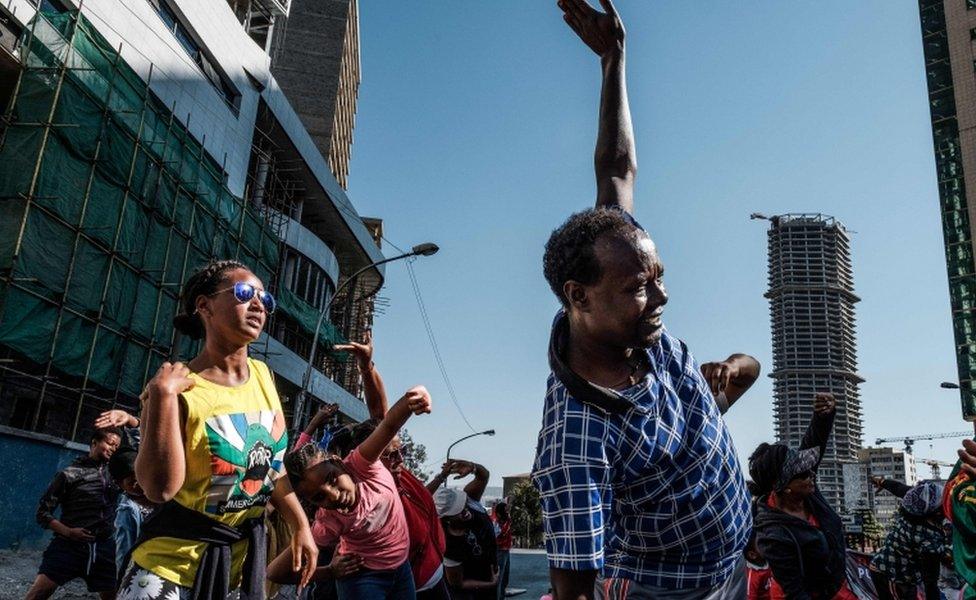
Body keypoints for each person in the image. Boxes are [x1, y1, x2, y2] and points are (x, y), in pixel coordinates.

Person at [533, 3, 761, 598]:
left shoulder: (625, 290)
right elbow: (574, 591)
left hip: (731, 567)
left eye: (657, 275)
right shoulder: (575, 438)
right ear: (577, 296)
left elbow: (616, 167)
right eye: (639, 287)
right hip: (671, 589)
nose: (660, 295)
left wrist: (613, 61)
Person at [121, 260, 317, 599]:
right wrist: (163, 398)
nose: (258, 305)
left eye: (265, 299)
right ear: (204, 306)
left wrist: (301, 525)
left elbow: (273, 464)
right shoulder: (177, 388)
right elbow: (159, 490)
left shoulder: (262, 376)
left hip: (235, 570)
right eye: (244, 293)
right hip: (169, 571)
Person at [331, 332, 451, 600]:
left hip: (436, 578)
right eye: (390, 454)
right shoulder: (373, 489)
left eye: (401, 451)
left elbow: (381, 417)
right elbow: (382, 420)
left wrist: (366, 367)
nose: (400, 459)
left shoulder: (397, 471)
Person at [284, 385, 433, 600]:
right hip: (362, 580)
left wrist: (413, 398)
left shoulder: (362, 464)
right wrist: (328, 572)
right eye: (319, 497)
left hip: (402, 571)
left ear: (337, 462)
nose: (333, 495)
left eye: (332, 479)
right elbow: (276, 572)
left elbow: (388, 423)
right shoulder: (327, 522)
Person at [749, 393, 856, 600]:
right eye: (805, 474)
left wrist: (823, 416)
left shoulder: (806, 492)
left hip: (835, 587)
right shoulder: (774, 536)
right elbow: (795, 592)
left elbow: (814, 443)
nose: (811, 475)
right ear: (784, 487)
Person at [25, 427, 122, 600]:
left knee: (114, 597)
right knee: (38, 594)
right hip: (68, 547)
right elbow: (42, 513)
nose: (113, 449)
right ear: (94, 442)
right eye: (110, 443)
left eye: (117, 446)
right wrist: (69, 532)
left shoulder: (115, 475)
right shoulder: (69, 474)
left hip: (104, 548)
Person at [869, 479, 947, 600]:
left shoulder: (917, 503)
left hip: (905, 573)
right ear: (936, 512)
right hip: (889, 573)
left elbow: (899, 488)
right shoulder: (929, 538)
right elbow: (930, 583)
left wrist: (883, 481)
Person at [434, 487, 500, 600]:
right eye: (458, 511)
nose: (465, 511)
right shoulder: (449, 545)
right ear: (447, 519)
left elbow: (483, 477)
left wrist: (475, 468)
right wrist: (491, 584)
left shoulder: (473, 511)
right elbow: (457, 583)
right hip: (470, 595)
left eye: (463, 505)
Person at [107, 446, 156, 580]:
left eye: (141, 477)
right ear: (120, 484)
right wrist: (123, 581)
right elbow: (124, 552)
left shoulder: (158, 494)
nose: (139, 484)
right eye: (132, 482)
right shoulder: (127, 510)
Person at [492, 501, 513, 600]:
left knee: (505, 577)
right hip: (500, 551)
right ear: (500, 513)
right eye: (505, 510)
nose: (507, 512)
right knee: (499, 578)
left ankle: (502, 596)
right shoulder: (496, 522)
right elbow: (498, 534)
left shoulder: (506, 519)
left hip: (506, 550)